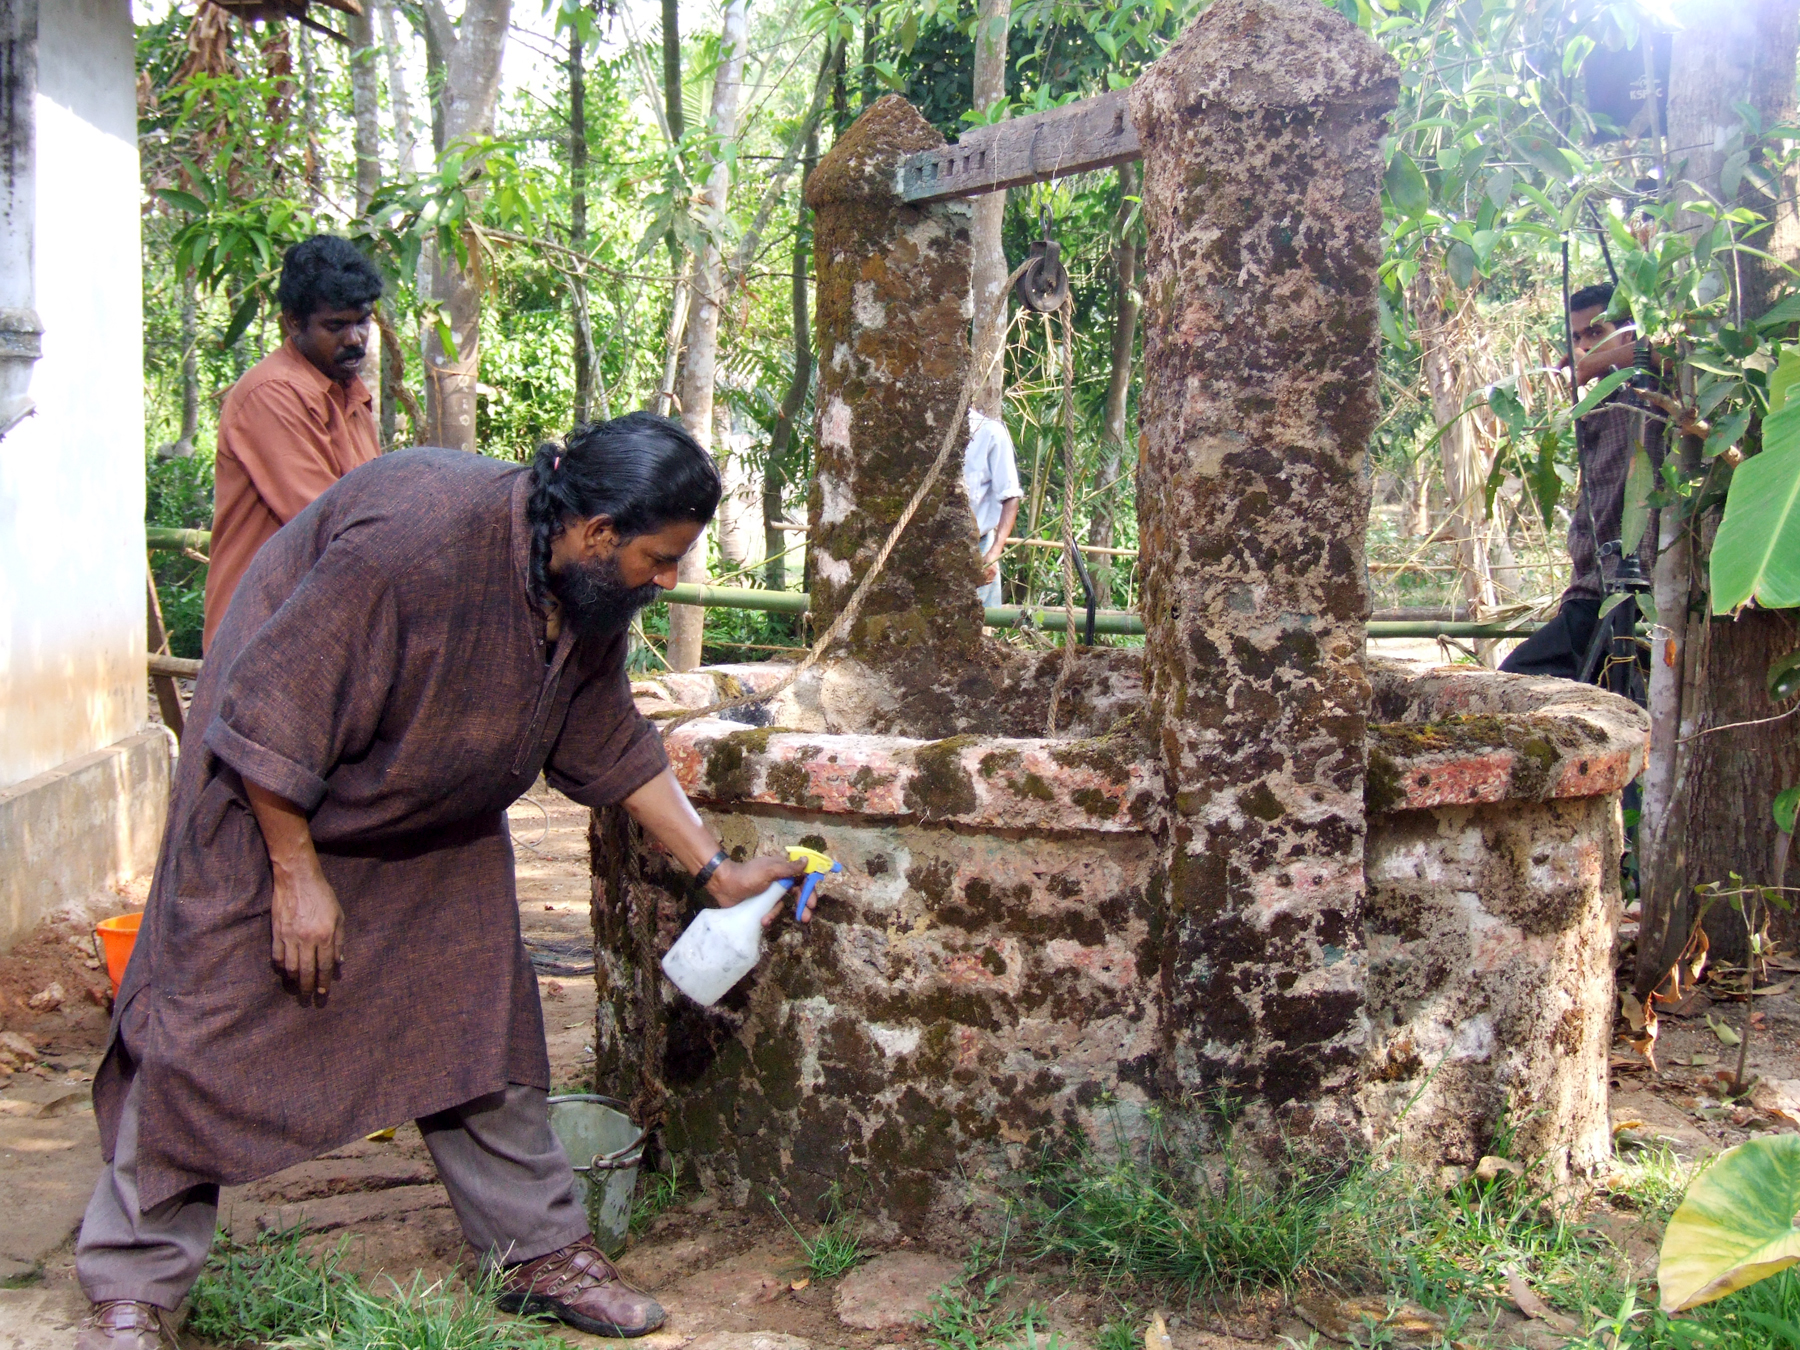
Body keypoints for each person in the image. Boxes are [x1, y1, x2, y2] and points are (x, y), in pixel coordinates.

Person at [76, 413, 809, 1350]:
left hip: (432, 824)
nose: (668, 581)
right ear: (595, 534)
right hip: (274, 806)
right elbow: (272, 709)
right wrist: (295, 876)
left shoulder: (584, 594)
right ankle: (133, 1292)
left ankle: (539, 1251)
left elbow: (608, 738)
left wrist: (714, 869)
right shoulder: (412, 541)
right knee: (196, 1032)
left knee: (479, 1024)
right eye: (659, 560)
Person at [201, 235, 385, 652]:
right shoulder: (272, 394)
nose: (355, 338)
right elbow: (331, 522)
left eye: (363, 321)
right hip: (261, 638)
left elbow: (373, 511)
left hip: (317, 633)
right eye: (335, 326)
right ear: (292, 323)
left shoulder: (350, 395)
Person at [1501, 282, 1664, 682]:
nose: (1585, 346)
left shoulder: (1652, 396)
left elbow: (1675, 353)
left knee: (1520, 675)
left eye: (1597, 331)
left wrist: (1599, 362)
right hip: (1593, 587)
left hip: (1630, 587)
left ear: (1628, 331)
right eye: (1577, 337)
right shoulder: (1599, 407)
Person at [962, 406, 1023, 607]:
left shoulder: (988, 431)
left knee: (980, 623)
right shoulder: (924, 427)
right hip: (931, 546)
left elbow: (1011, 496)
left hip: (978, 546)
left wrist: (995, 552)